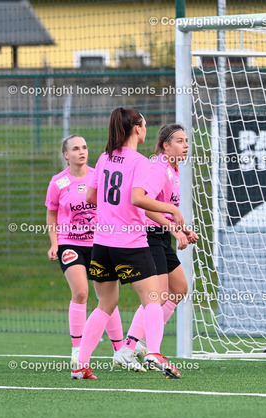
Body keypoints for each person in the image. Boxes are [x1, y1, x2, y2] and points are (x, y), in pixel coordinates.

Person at [71, 107, 185, 380]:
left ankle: (80, 365)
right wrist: (173, 211)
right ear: (137, 129)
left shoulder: (104, 158)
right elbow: (137, 199)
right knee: (154, 299)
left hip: (101, 243)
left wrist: (112, 210)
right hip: (130, 242)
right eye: (143, 125)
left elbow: (90, 197)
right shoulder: (139, 162)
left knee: (105, 304)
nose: (145, 130)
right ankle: (154, 351)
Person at [113, 124, 198, 370]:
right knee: (157, 295)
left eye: (186, 141)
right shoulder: (158, 169)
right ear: (165, 145)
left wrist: (180, 229)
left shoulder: (174, 169)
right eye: (180, 141)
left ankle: (142, 342)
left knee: (179, 288)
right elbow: (145, 206)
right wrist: (173, 227)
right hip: (149, 235)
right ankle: (128, 348)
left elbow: (164, 208)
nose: (185, 145)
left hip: (162, 234)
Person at [45, 135, 124, 364]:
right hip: (70, 243)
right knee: (80, 292)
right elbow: (51, 213)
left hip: (99, 243)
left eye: (85, 147)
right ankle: (77, 351)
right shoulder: (58, 183)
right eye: (76, 148)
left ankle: (120, 351)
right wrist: (54, 242)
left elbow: (111, 206)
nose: (82, 152)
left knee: (107, 297)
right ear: (66, 155)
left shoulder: (97, 177)